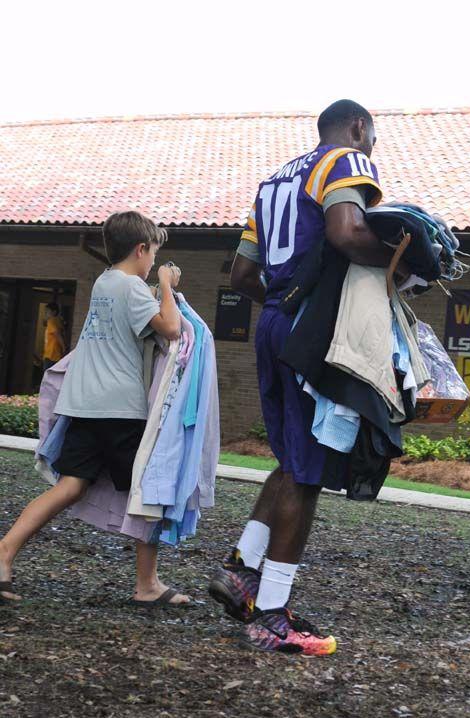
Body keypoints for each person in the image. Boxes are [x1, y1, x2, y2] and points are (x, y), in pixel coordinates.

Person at [209, 99, 406, 654]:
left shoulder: (273, 182)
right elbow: (346, 233)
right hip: (312, 329)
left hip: (273, 321)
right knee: (308, 472)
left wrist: (282, 305)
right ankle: (270, 615)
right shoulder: (346, 160)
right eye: (372, 138)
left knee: (292, 459)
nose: (371, 151)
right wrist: (403, 264)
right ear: (359, 128)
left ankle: (241, 569)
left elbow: (242, 274)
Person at [0, 211, 188, 606]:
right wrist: (166, 286)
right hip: (118, 409)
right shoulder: (133, 287)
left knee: (71, 486)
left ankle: (3, 554)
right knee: (148, 491)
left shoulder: (105, 283)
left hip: (84, 404)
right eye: (153, 253)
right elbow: (171, 330)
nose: (154, 262)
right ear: (141, 250)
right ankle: (147, 585)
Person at [42, 302, 66, 371]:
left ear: (54, 312)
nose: (46, 314)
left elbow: (57, 334)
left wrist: (64, 347)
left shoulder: (51, 321)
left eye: (47, 311)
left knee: (47, 377)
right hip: (56, 355)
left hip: (51, 355)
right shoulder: (58, 321)